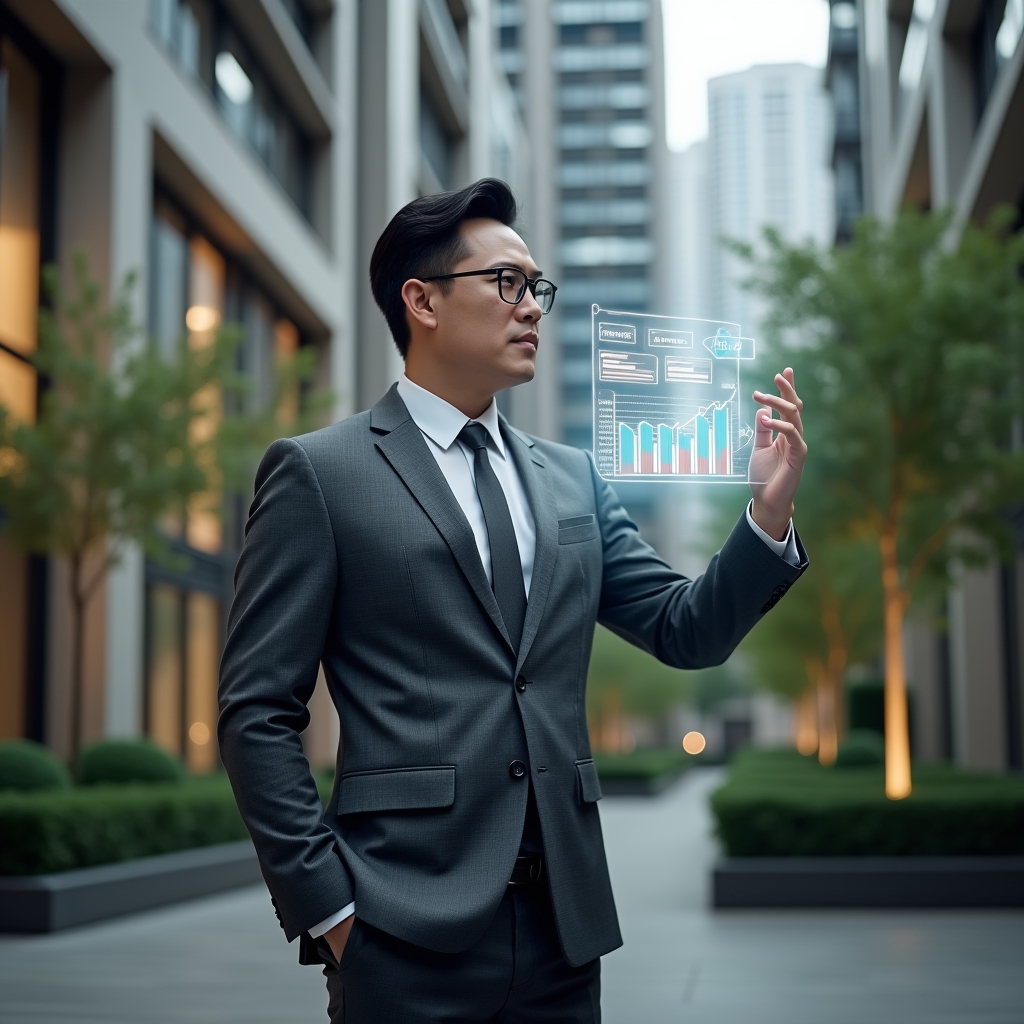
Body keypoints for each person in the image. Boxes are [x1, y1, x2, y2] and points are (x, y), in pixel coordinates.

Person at [218, 178, 807, 1023]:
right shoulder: (322, 473)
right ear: (420, 301)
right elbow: (256, 710)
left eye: (537, 288)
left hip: (564, 930)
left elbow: (687, 631)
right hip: (399, 929)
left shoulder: (572, 478)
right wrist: (331, 910)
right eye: (506, 283)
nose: (532, 306)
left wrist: (767, 516)